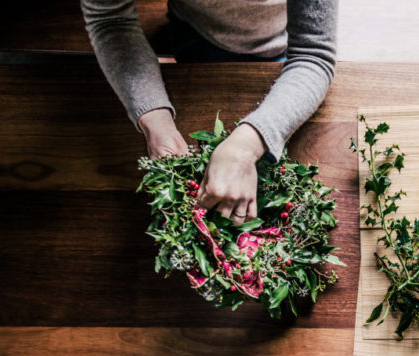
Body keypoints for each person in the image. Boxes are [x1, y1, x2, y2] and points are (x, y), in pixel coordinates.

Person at [80, 0, 337, 225]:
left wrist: (246, 145)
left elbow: (313, 53)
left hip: (278, 40)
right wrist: (154, 119)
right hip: (193, 33)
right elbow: (110, 19)